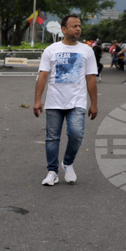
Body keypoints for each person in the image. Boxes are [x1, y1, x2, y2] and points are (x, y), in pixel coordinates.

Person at [33, 15, 98, 186]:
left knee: (76, 134)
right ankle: (52, 171)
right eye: (74, 26)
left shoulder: (86, 50)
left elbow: (91, 78)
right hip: (54, 101)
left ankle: (68, 163)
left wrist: (94, 104)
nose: (78, 29)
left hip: (77, 101)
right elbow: (43, 76)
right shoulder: (51, 50)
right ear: (64, 29)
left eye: (79, 26)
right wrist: (37, 100)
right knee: (52, 138)